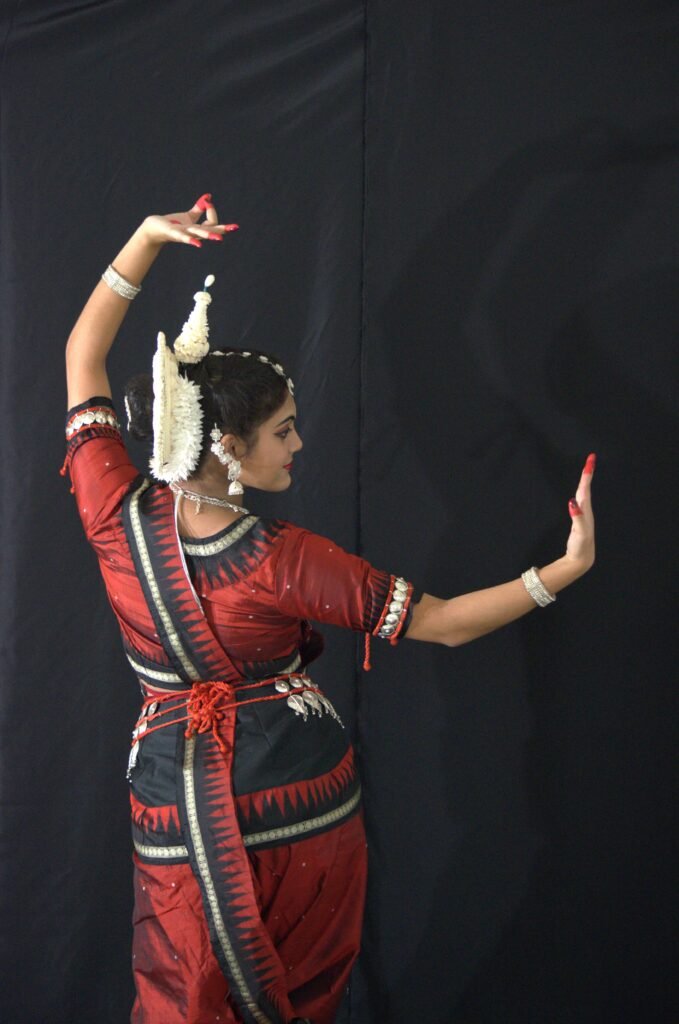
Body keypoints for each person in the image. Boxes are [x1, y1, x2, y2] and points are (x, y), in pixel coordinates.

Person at [63, 194, 596, 1024]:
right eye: (285, 430)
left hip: (171, 805)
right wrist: (562, 570)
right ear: (230, 447)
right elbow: (445, 622)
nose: (299, 444)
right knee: (298, 998)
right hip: (297, 809)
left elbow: (82, 353)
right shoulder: (282, 559)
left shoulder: (110, 508)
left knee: (182, 989)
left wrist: (144, 240)